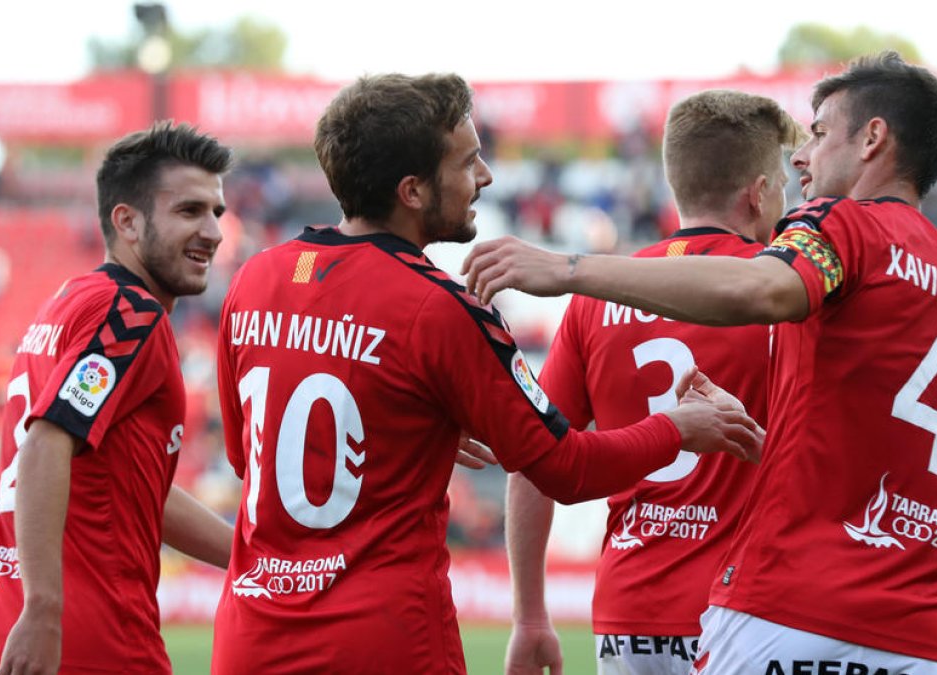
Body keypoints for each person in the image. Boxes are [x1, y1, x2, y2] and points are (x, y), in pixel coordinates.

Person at [210, 73, 765, 675]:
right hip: (386, 643)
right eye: (468, 161)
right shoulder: (441, 308)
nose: (486, 177)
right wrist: (680, 428)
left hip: (248, 640)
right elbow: (568, 468)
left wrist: (404, 430)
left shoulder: (255, 280)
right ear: (413, 191)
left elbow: (249, 458)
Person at [463, 52, 937, 674]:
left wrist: (569, 270)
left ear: (874, 139)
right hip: (915, 634)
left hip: (780, 609)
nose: (802, 158)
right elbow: (867, 449)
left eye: (819, 134)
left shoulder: (841, 230)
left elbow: (759, 291)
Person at [504, 90, 805, 675]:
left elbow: (531, 461)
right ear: (761, 191)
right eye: (782, 185)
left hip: (629, 613)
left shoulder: (600, 298)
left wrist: (531, 616)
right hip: (746, 612)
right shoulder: (783, 300)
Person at [0, 121, 236, 675]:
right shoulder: (129, 315)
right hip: (82, 643)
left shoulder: (70, 302)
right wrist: (45, 610)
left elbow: (137, 490)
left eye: (216, 212)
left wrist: (253, 558)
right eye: (190, 211)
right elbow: (47, 442)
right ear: (126, 220)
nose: (213, 231)